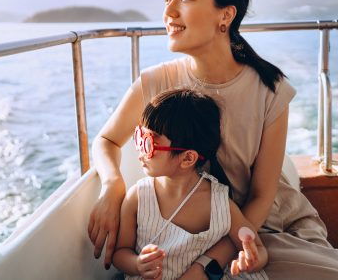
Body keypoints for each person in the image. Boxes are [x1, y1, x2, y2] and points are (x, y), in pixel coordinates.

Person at [89, 0, 338, 279]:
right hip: (184, 236)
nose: (169, 12)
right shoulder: (155, 83)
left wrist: (209, 262)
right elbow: (106, 140)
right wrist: (112, 187)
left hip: (261, 230)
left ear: (226, 15)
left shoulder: (270, 90)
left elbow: (262, 195)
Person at [113, 88, 268, 280]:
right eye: (139, 137)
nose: (140, 150)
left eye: (149, 143)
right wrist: (137, 264)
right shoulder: (137, 197)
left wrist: (251, 259)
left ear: (187, 158)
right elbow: (120, 252)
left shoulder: (219, 204)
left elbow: (259, 249)